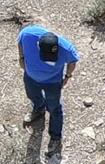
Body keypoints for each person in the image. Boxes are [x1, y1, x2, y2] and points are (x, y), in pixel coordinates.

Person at [17, 25, 80, 154]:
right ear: (38, 45)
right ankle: (38, 110)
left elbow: (72, 62)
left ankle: (55, 137)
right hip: (31, 77)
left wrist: (67, 76)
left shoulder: (66, 49)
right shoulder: (28, 35)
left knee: (54, 108)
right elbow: (20, 41)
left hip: (52, 82)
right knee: (32, 95)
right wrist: (21, 58)